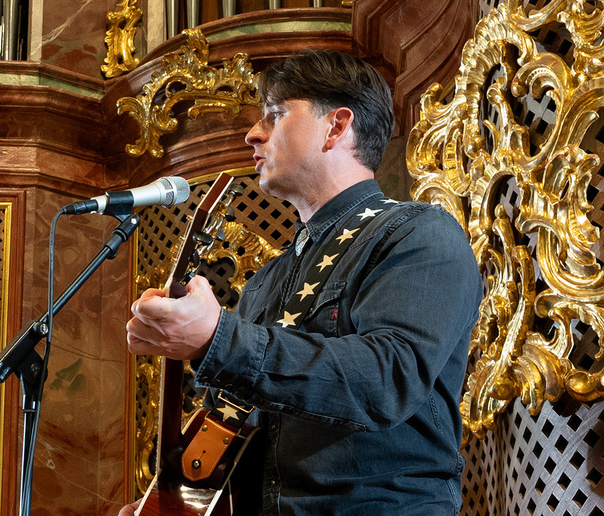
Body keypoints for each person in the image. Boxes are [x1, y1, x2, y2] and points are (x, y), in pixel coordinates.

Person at [121, 49, 483, 515]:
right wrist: (167, 502)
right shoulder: (265, 283)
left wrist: (218, 338)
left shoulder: (420, 232)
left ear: (336, 126)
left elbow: (388, 379)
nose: (252, 133)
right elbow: (234, 434)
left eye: (274, 114)